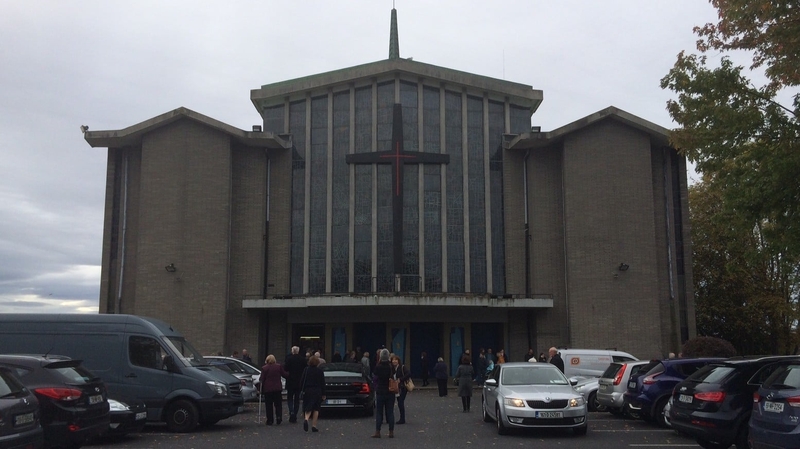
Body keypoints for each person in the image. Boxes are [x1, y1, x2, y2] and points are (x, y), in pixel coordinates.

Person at [371, 349, 395, 438]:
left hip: (380, 391)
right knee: (390, 412)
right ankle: (391, 431)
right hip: (390, 390)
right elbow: (394, 375)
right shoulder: (390, 366)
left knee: (379, 412)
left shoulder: (378, 367)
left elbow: (375, 377)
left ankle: (378, 431)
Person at [259, 354, 288, 425]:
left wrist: (260, 388)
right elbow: (284, 374)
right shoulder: (278, 366)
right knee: (278, 404)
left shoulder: (264, 368)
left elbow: (262, 379)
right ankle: (278, 417)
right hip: (277, 388)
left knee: (269, 405)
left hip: (268, 389)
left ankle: (270, 420)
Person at [301, 355, 325, 432]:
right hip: (317, 391)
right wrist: (324, 393)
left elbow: (302, 381)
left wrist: (302, 389)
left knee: (308, 406)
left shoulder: (306, 370)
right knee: (316, 408)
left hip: (308, 390)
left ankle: (306, 419)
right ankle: (314, 426)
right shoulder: (320, 371)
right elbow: (322, 383)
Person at [283, 346, 306, 423]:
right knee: (297, 399)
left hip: (290, 381)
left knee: (289, 398)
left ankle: (291, 411)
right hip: (299, 381)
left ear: (292, 351)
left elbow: (285, 369)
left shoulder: (289, 359)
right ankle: (295, 414)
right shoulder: (302, 359)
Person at [390, 354, 411, 424]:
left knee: (400, 402)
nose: (394, 361)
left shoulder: (402, 367)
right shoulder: (392, 368)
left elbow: (408, 374)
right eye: (393, 360)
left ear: (398, 361)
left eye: (396, 360)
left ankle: (402, 419)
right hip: (395, 387)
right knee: (398, 402)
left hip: (402, 387)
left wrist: (401, 379)